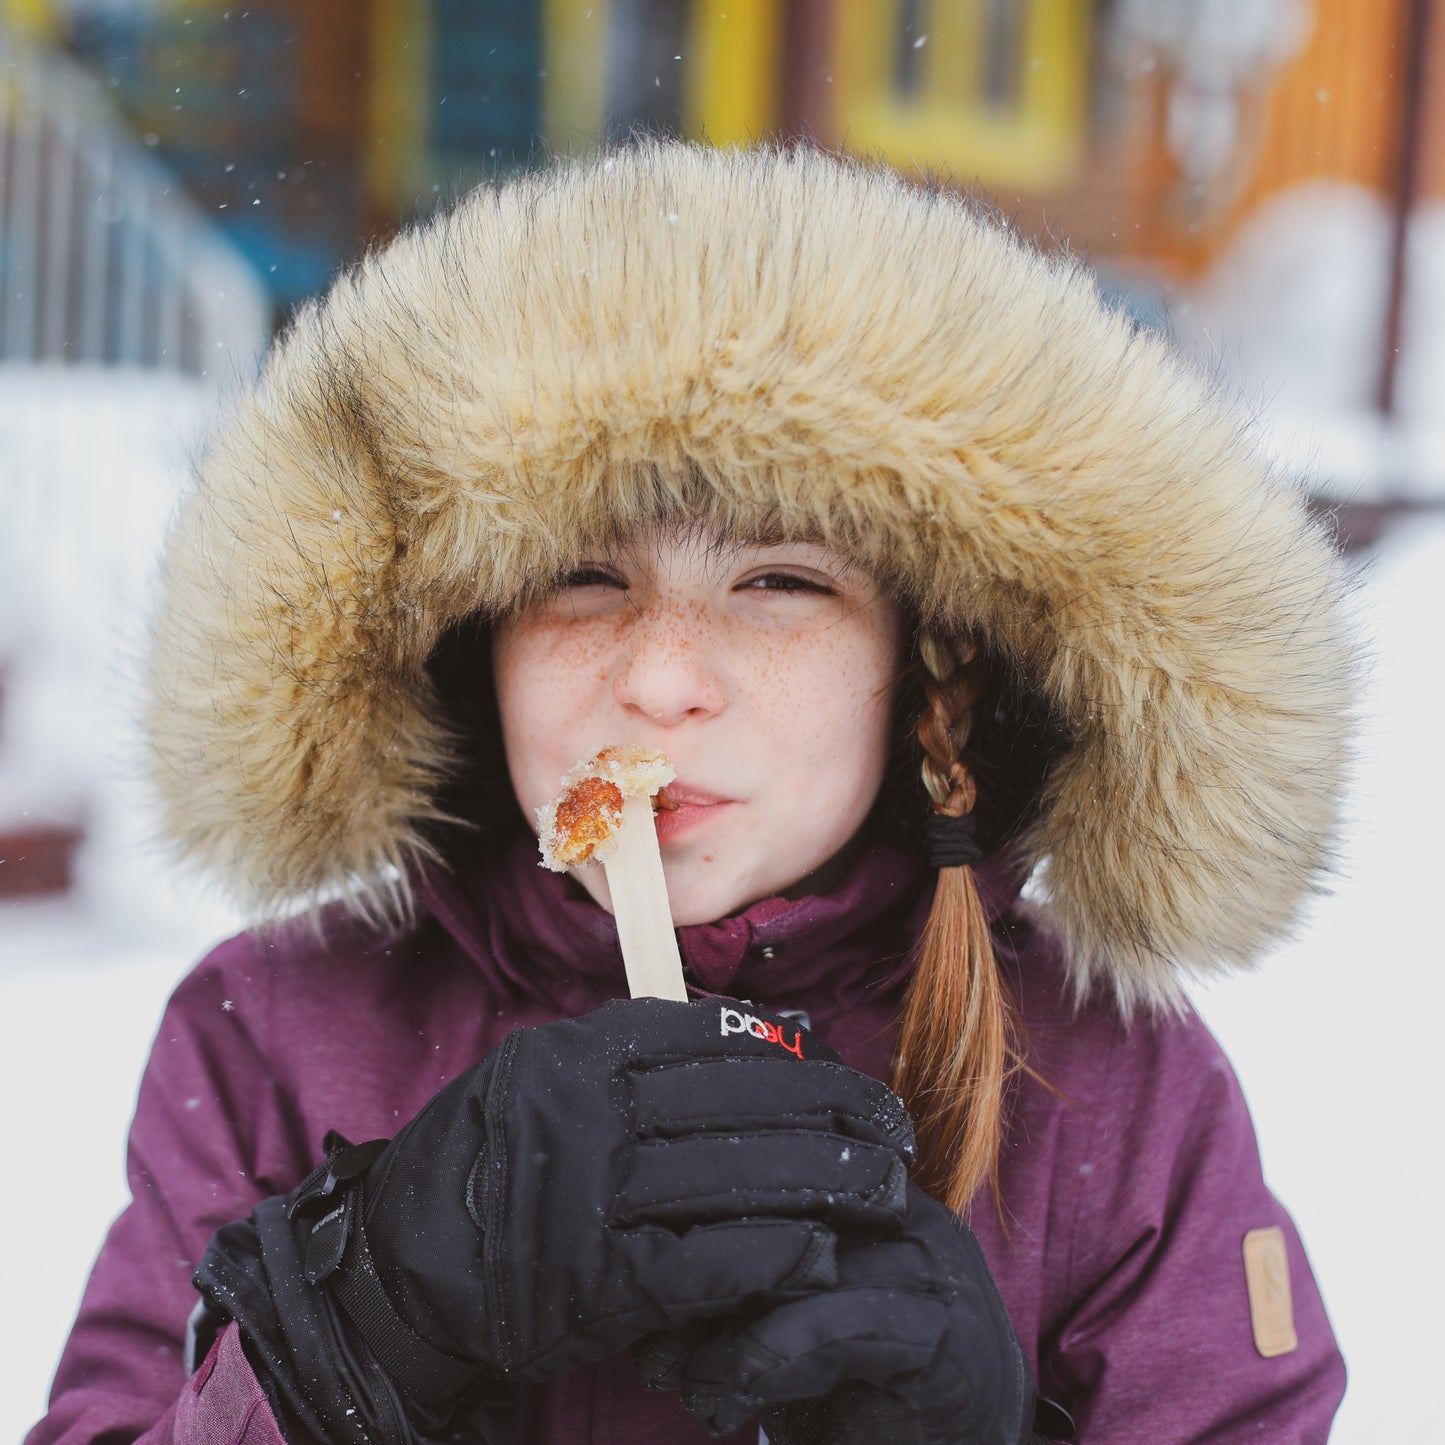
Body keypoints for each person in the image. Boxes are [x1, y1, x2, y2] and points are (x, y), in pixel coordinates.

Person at [28, 142, 1350, 1445]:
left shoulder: (1107, 1087)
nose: (658, 681)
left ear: (925, 661)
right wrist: (354, 1331)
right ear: (466, 628)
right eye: (579, 578)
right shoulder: (273, 1033)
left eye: (781, 581)